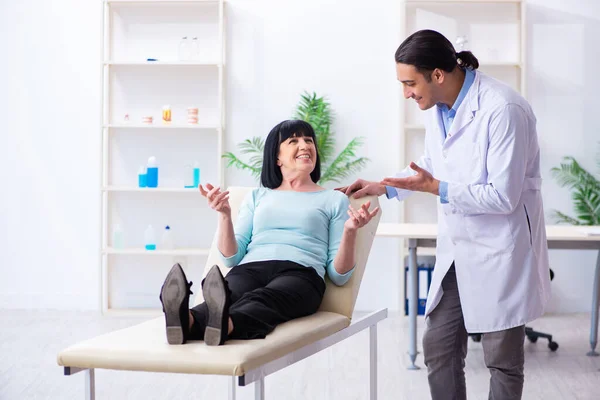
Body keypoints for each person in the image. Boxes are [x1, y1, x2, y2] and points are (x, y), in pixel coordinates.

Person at [339, 29, 551, 400]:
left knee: (501, 359)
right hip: (458, 248)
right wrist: (384, 186)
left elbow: (503, 196)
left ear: (437, 75)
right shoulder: (439, 109)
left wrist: (437, 188)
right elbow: (431, 165)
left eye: (409, 83)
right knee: (439, 345)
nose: (406, 93)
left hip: (501, 249)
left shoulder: (504, 109)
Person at [159, 119, 379, 346]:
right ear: (277, 158)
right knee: (228, 293)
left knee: (263, 300)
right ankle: (187, 318)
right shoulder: (257, 197)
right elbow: (231, 257)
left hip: (301, 274)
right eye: (294, 140)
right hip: (251, 268)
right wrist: (225, 215)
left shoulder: (334, 199)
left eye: (308, 140)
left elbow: (339, 275)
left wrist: (350, 231)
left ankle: (221, 322)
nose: (305, 145)